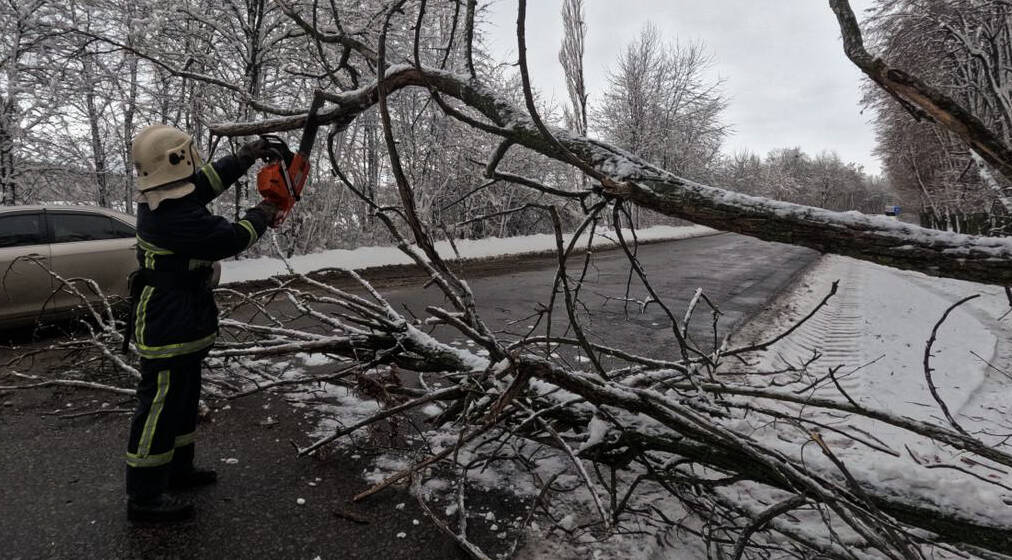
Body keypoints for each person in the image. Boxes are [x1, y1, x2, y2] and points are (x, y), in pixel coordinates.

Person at [123, 124, 278, 522]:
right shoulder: (171, 215)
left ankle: (178, 469)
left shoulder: (169, 194)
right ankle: (144, 495)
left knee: (184, 396)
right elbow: (228, 238)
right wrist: (264, 212)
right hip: (168, 319)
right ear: (177, 160)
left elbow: (204, 183)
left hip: (184, 314)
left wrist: (243, 159)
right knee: (160, 405)